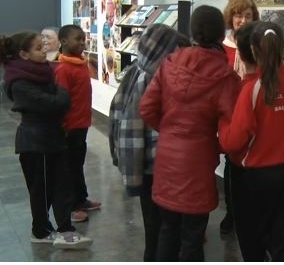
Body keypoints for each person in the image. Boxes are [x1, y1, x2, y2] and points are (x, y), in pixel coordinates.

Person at [140, 5, 240, 261]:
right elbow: (233, 126)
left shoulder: (170, 63)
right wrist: (214, 145)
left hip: (168, 157)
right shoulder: (225, 75)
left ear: (192, 32)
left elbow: (147, 108)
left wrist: (172, 132)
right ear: (221, 35)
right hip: (198, 160)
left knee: (167, 228)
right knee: (193, 235)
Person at [219, 21, 284, 261]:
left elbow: (232, 142)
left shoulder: (252, 90)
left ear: (252, 52)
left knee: (253, 245)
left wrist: (222, 123)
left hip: (255, 179)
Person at [0, 31, 92, 249]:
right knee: (41, 191)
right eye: (39, 48)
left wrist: (59, 96)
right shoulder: (18, 81)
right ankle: (40, 231)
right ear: (23, 54)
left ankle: (65, 229)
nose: (45, 50)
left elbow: (60, 99)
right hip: (35, 142)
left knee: (61, 186)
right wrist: (60, 95)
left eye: (44, 45)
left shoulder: (44, 72)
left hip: (54, 138)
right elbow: (56, 103)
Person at [109, 24, 190, 261]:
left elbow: (118, 122)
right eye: (174, 50)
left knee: (154, 225)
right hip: (157, 166)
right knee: (166, 227)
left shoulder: (135, 72)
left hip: (145, 165)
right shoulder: (154, 79)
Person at [220, 0, 259, 234]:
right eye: (237, 15)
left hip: (255, 105)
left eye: (247, 15)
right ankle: (232, 212)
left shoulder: (259, 43)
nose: (242, 20)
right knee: (231, 163)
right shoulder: (223, 45)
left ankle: (249, 212)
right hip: (232, 109)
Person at [55, 25, 101, 223]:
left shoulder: (81, 64)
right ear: (64, 42)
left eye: (83, 39)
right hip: (69, 127)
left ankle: (81, 199)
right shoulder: (63, 69)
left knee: (77, 165)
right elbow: (61, 101)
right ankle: (72, 207)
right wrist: (63, 126)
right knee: (69, 168)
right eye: (77, 39)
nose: (82, 43)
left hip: (81, 125)